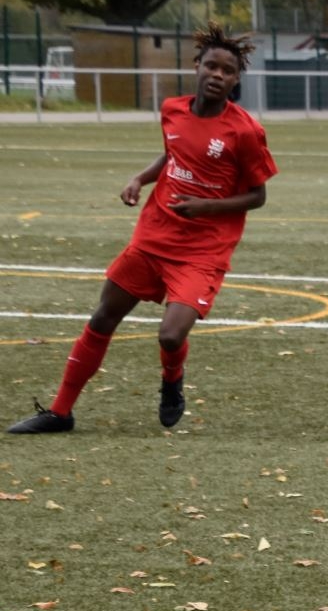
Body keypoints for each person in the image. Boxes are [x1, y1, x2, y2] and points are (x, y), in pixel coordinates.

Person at [8, 23, 277, 435]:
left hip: (203, 250)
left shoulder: (244, 131)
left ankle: (172, 381)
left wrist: (206, 207)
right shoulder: (172, 110)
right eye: (211, 66)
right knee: (102, 318)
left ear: (237, 78)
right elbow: (173, 154)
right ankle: (61, 411)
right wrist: (139, 178)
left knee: (170, 336)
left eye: (227, 70)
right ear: (197, 67)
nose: (217, 75)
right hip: (153, 237)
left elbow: (257, 195)